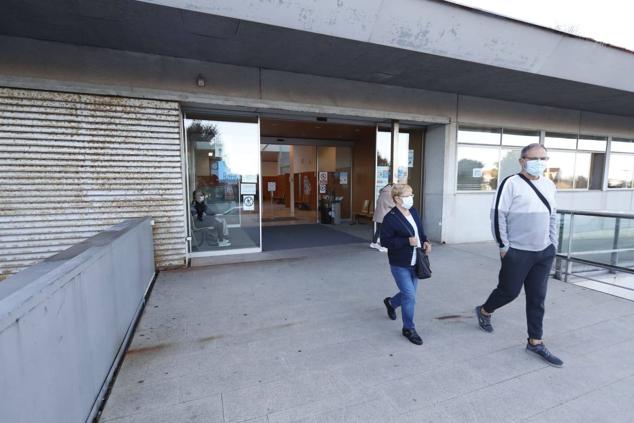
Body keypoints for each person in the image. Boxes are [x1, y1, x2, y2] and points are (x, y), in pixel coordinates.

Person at [475, 143, 563, 367]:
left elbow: (553, 215)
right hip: (518, 251)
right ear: (522, 161)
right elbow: (497, 216)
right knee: (509, 292)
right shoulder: (510, 184)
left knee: (537, 298)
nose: (540, 163)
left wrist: (553, 244)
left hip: (543, 252)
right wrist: (504, 247)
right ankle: (485, 310)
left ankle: (535, 341)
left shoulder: (549, 184)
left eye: (544, 158)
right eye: (535, 158)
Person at [380, 184, 431, 345]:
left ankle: (391, 303)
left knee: (408, 295)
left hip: (416, 261)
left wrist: (426, 241)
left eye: (412, 195)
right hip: (400, 263)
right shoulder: (390, 218)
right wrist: (406, 241)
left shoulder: (414, 212)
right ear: (397, 199)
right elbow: (385, 241)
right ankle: (408, 328)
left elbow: (420, 232)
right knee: (410, 296)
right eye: (408, 195)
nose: (411, 198)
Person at [371, 184, 394, 252]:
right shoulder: (388, 194)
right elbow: (392, 204)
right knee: (384, 232)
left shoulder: (382, 192)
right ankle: (383, 246)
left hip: (379, 215)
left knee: (379, 230)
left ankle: (374, 243)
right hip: (384, 215)